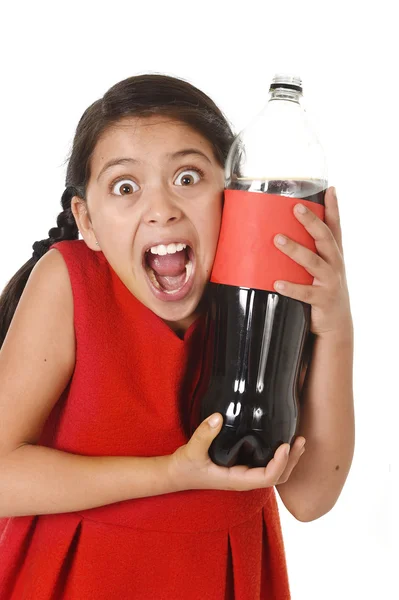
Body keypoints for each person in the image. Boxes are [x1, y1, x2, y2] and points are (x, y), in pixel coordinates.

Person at [0, 73, 355, 599]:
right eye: (126, 187)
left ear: (234, 195)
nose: (162, 207)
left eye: (188, 177)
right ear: (88, 221)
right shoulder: (68, 282)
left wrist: (336, 325)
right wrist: (171, 473)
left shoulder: (269, 293)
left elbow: (311, 497)